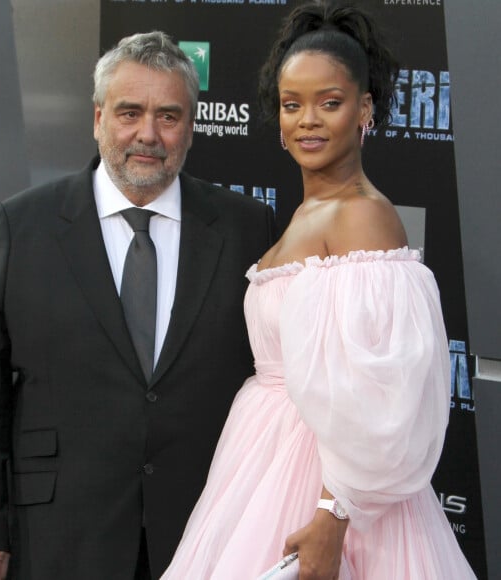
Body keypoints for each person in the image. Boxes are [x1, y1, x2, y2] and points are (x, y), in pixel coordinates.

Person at [0, 31, 276, 580]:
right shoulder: (24, 226)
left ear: (191, 127)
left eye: (169, 116)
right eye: (129, 112)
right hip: (61, 534)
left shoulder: (246, 227)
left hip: (205, 532)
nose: (148, 134)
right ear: (98, 118)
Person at [161, 2, 477, 579]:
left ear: (365, 110)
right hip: (262, 462)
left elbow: (386, 396)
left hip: (324, 486)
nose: (308, 120)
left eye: (329, 103)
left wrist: (334, 515)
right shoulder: (311, 212)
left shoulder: (362, 218)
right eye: (291, 105)